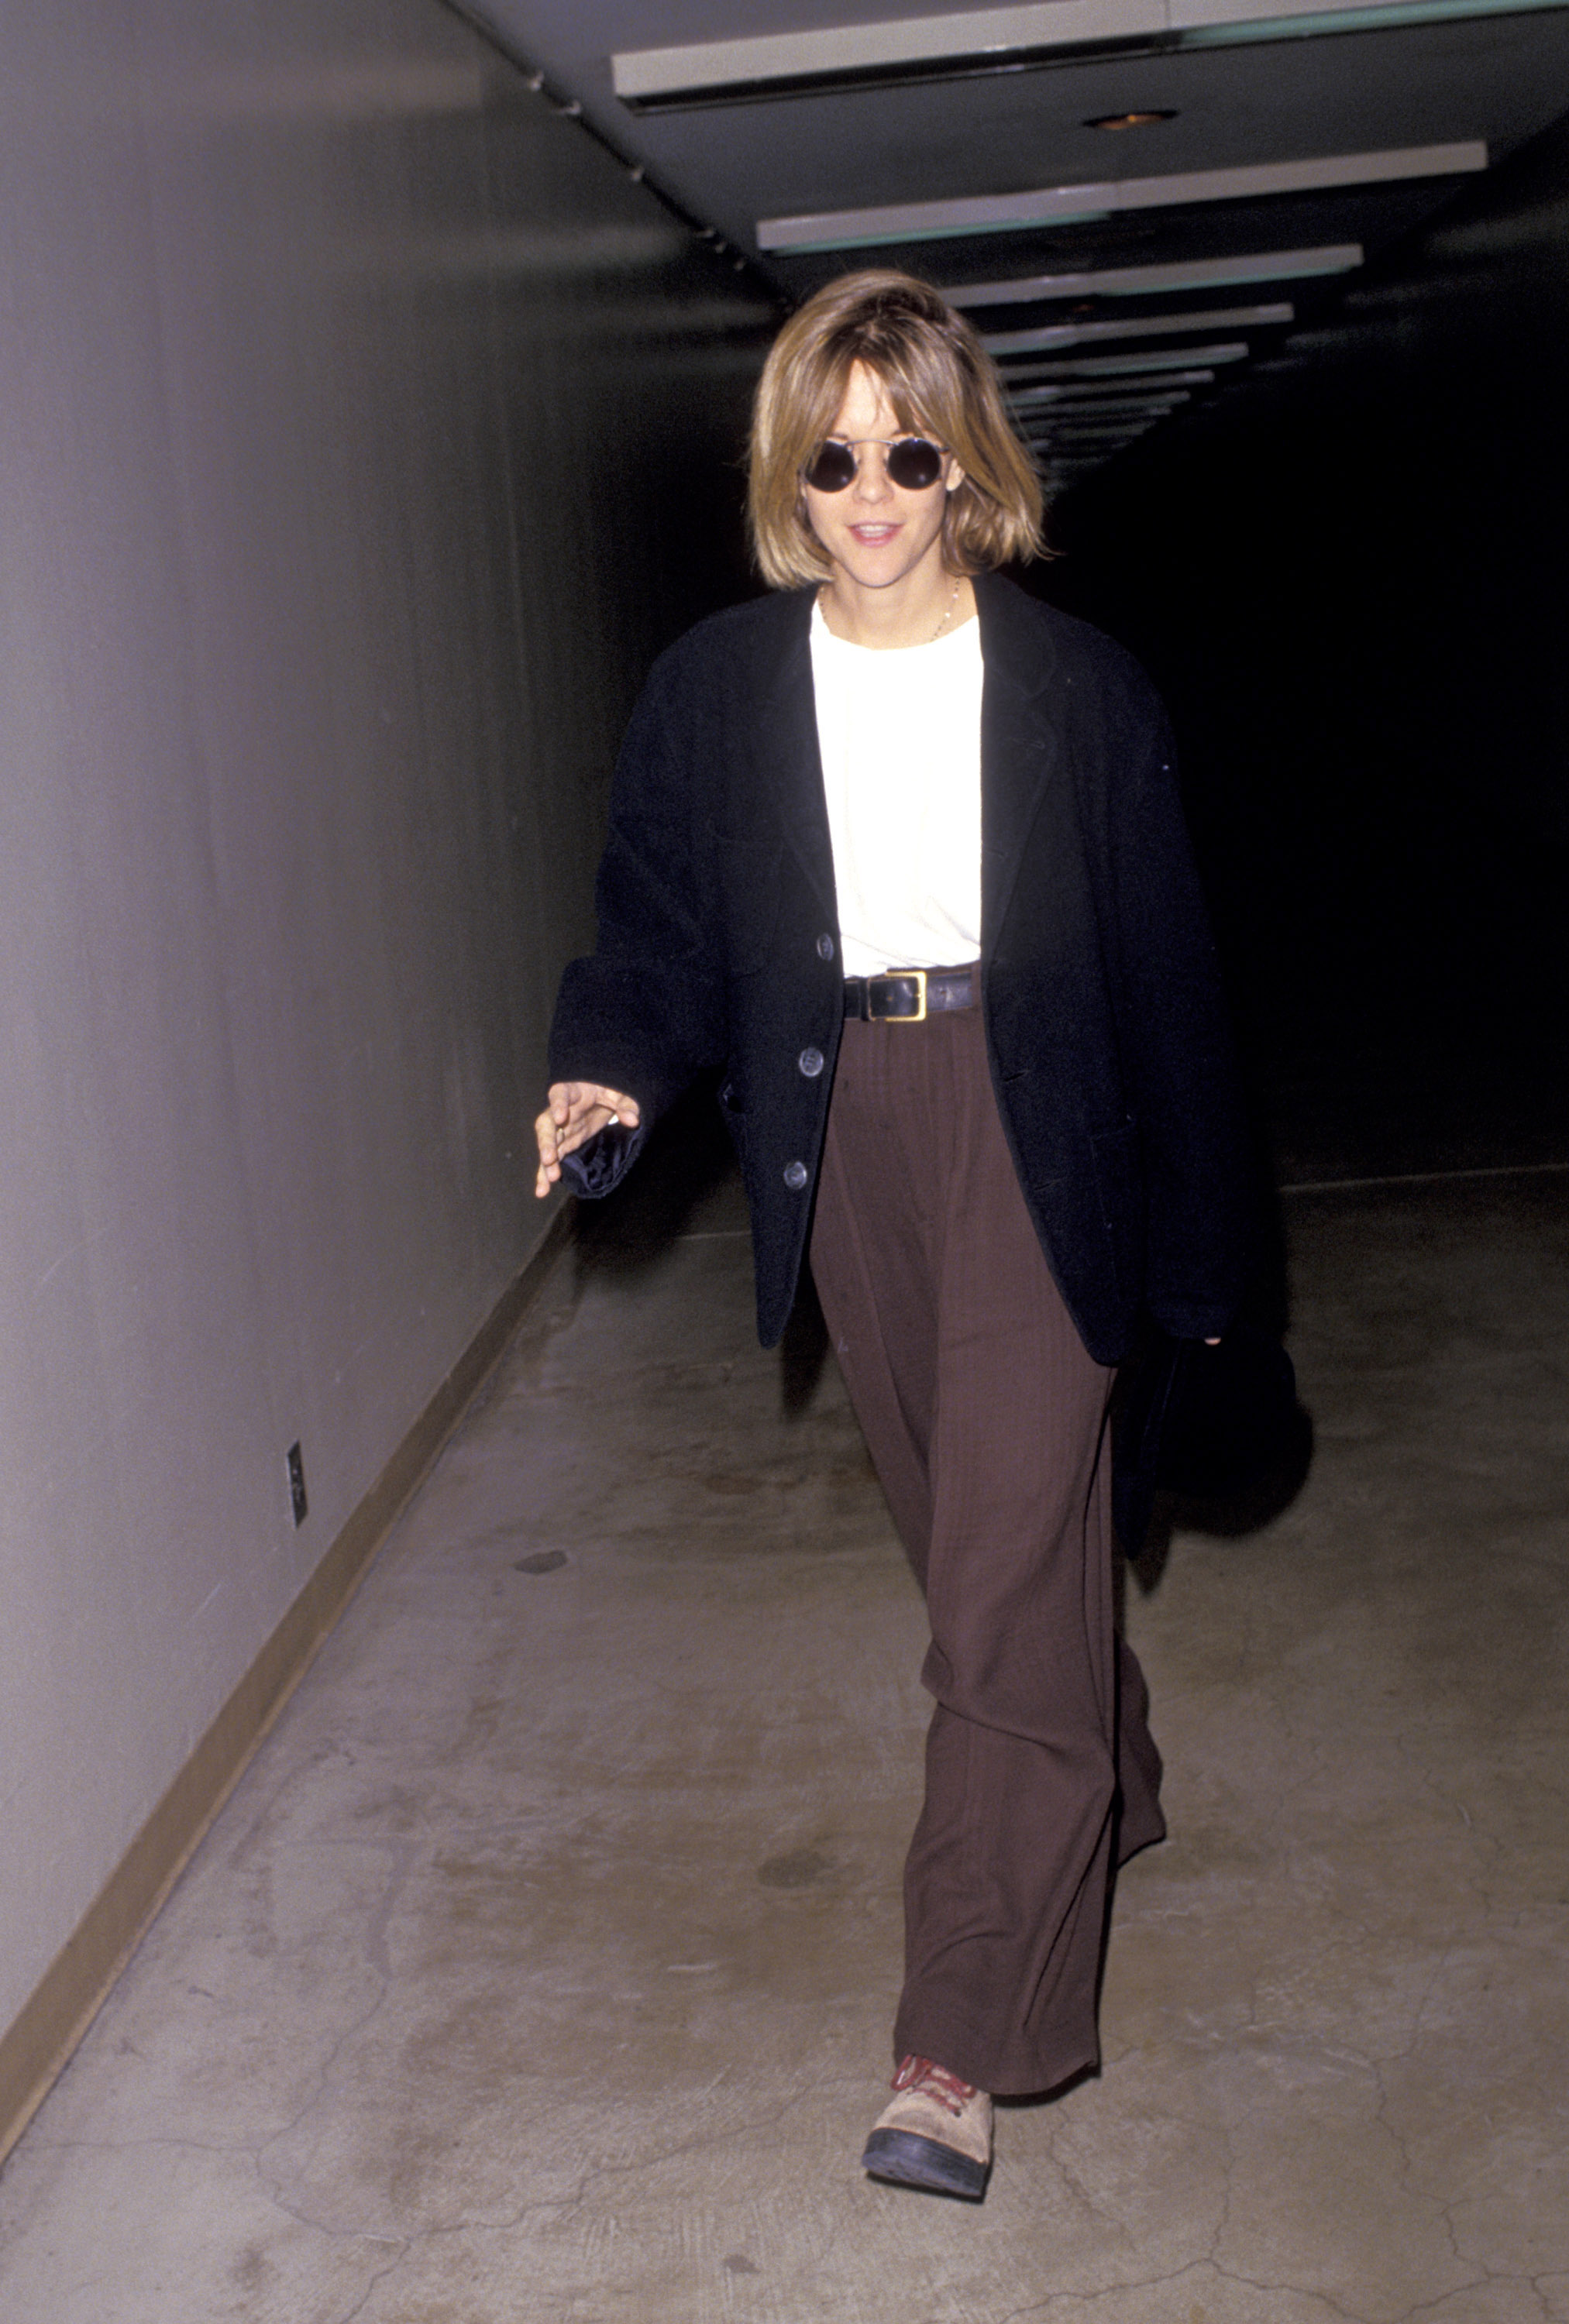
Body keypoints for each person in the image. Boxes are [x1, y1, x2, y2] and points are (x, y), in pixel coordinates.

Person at [534, 270, 1251, 2203]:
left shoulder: (1078, 691)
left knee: (992, 1599)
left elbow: (1173, 984)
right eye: (830, 452)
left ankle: (958, 2036)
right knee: (972, 1540)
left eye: (905, 450)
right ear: (791, 464)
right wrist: (610, 1069)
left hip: (1047, 1119)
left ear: (966, 466)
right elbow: (661, 928)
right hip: (841, 1129)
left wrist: (1210, 1283)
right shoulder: (717, 690)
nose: (867, 490)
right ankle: (1111, 1766)